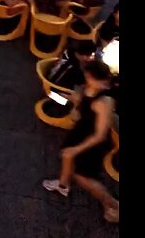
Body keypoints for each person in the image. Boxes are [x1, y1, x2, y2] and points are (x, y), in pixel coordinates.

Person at [42, 60, 120, 224]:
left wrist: (77, 149)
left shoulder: (104, 102)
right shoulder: (91, 87)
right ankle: (63, 186)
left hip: (91, 143)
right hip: (81, 131)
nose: (85, 78)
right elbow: (80, 100)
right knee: (66, 155)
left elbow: (100, 135)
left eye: (88, 76)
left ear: (96, 78)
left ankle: (113, 204)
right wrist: (57, 96)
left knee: (84, 177)